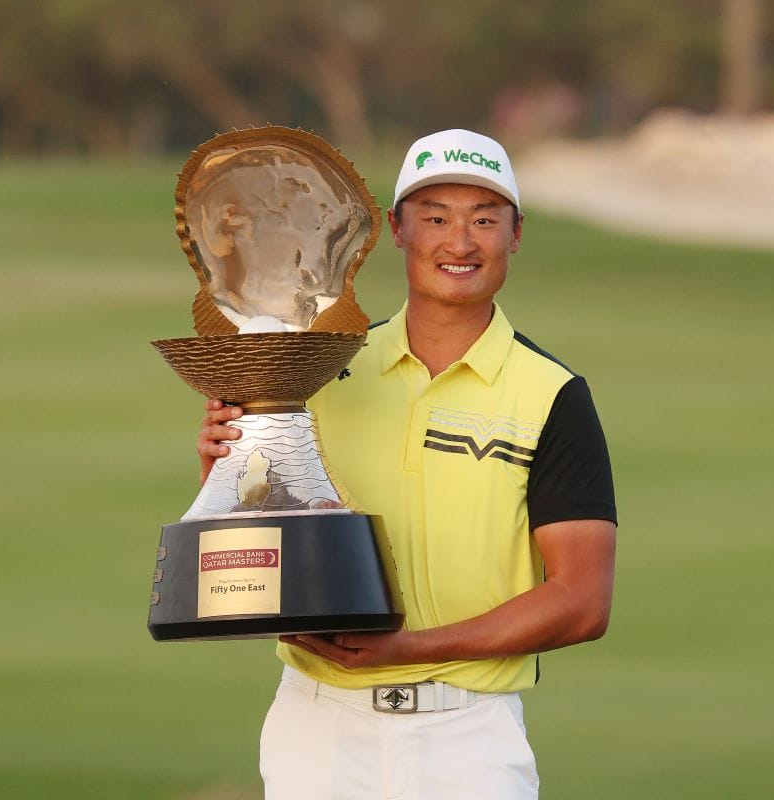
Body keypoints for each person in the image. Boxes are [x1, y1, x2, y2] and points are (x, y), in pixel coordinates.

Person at [197, 128, 617, 799]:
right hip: (320, 729)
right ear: (396, 229)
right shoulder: (315, 368)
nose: (460, 242)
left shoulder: (552, 394)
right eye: (436, 218)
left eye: (485, 220)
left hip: (470, 736)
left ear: (516, 234)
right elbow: (254, 539)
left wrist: (413, 649)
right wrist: (223, 467)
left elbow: (582, 602)